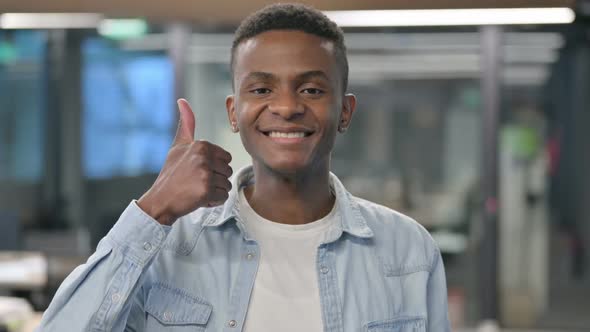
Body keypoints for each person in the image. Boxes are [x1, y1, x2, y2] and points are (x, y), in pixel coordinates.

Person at [37, 3, 450, 331]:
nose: (287, 107)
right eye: (262, 88)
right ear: (234, 113)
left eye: (311, 89)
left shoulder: (408, 250)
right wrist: (154, 208)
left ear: (345, 111)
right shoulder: (170, 246)